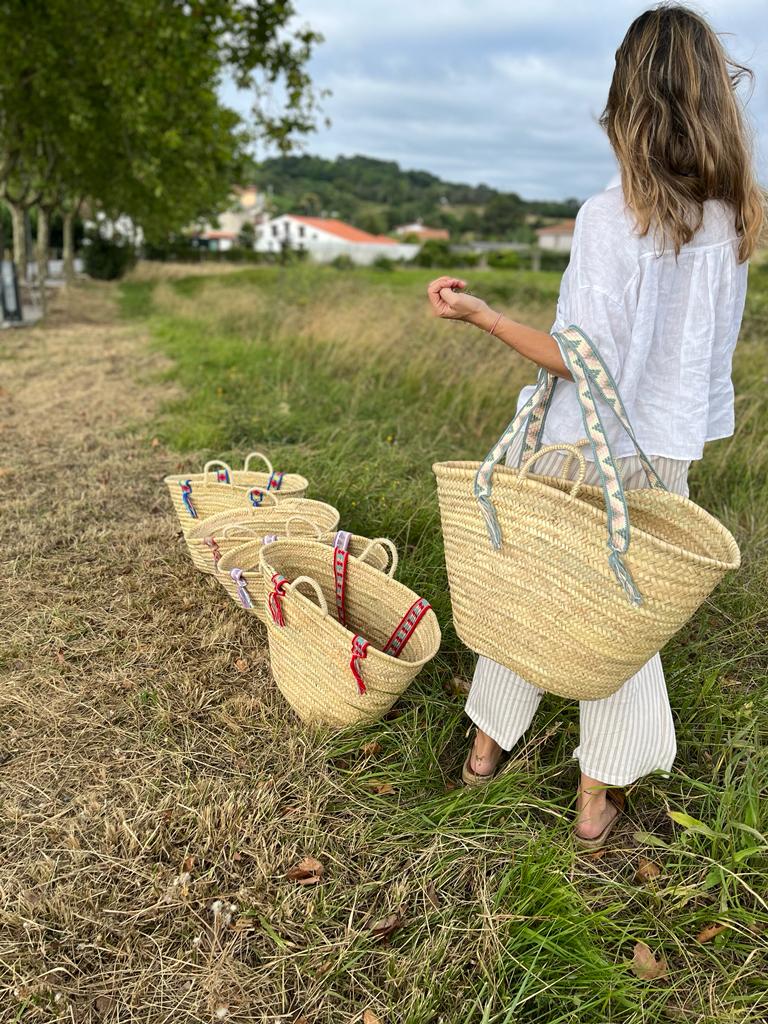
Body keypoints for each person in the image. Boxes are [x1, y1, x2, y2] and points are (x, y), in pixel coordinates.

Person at [427, 3, 765, 849]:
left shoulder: (608, 217)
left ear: (628, 105)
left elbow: (579, 359)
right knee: (621, 623)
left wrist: (485, 318)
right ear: (712, 103)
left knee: (527, 593)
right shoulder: (735, 222)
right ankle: (593, 799)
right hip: (660, 456)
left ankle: (483, 754)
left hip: (574, 450)